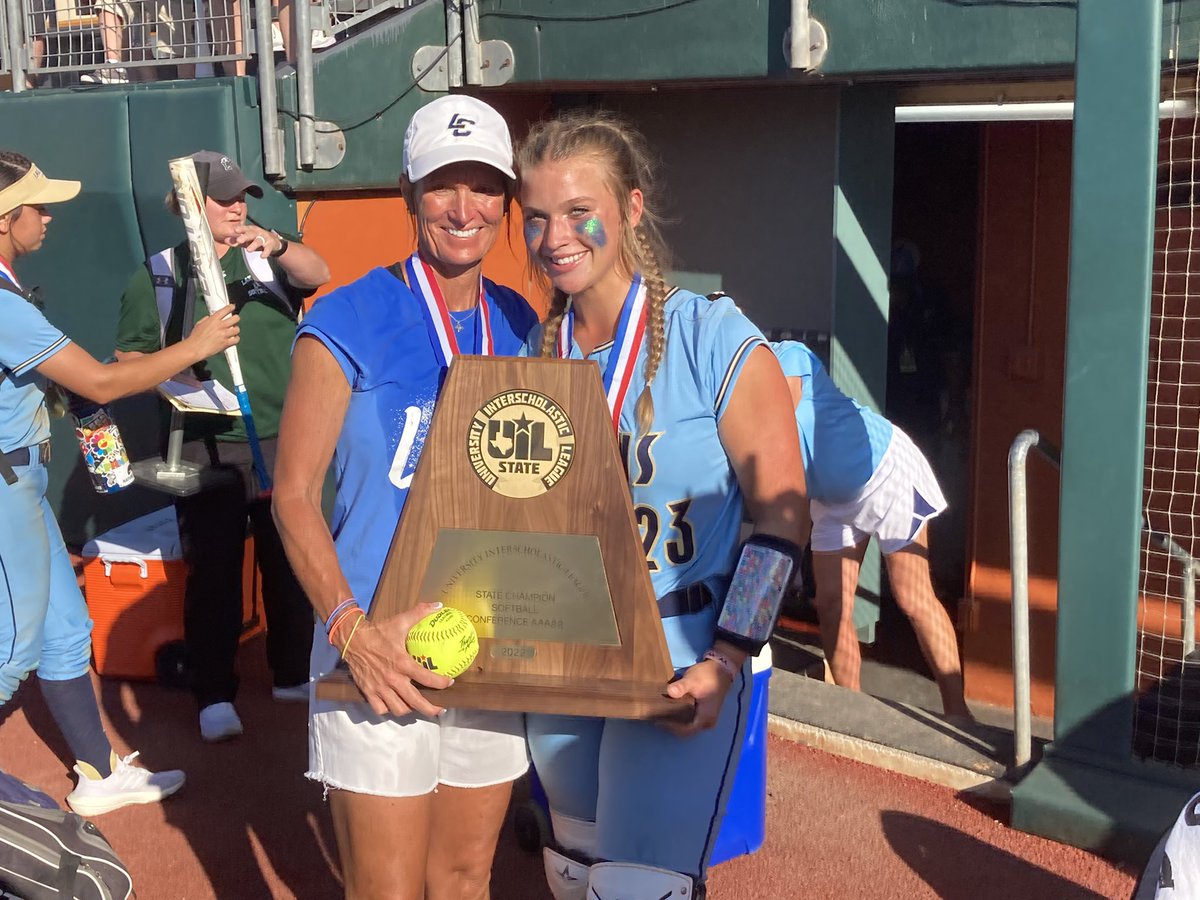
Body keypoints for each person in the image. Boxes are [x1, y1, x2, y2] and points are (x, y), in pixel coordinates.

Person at [518, 111, 809, 899]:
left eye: (580, 212)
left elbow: (784, 518)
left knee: (637, 887)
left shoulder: (712, 336)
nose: (555, 237)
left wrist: (728, 657)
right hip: (564, 664)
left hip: (678, 664)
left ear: (632, 210)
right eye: (537, 217)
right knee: (573, 878)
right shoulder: (529, 357)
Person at [271, 94, 537, 899]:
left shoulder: (520, 322)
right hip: (376, 642)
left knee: (462, 878)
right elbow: (290, 496)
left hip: (488, 644)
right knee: (386, 891)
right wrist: (350, 632)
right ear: (408, 192)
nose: (465, 208)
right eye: (442, 185)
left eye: (483, 187)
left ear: (505, 201)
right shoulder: (346, 318)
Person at [0, 150, 239, 814]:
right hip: (4, 486)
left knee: (64, 629)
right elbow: (102, 382)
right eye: (36, 207)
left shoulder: (9, 290)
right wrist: (194, 346)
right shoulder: (3, 301)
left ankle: (99, 775)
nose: (47, 217)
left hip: (21, 481)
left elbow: (80, 378)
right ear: (4, 219)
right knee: (13, 647)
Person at [113, 150, 330, 742]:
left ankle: (291, 671)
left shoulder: (266, 253)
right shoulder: (158, 273)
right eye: (225, 198)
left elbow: (319, 273)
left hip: (287, 434)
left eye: (243, 197)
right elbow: (128, 361)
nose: (238, 207)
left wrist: (278, 246)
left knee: (289, 561)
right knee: (214, 571)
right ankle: (213, 692)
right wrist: (181, 370)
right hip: (209, 445)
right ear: (189, 204)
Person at [773, 339, 972, 720]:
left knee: (913, 596)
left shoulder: (787, 356)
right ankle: (851, 710)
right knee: (831, 605)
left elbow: (777, 427)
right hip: (831, 499)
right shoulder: (731, 401)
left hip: (886, 473)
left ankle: (958, 711)